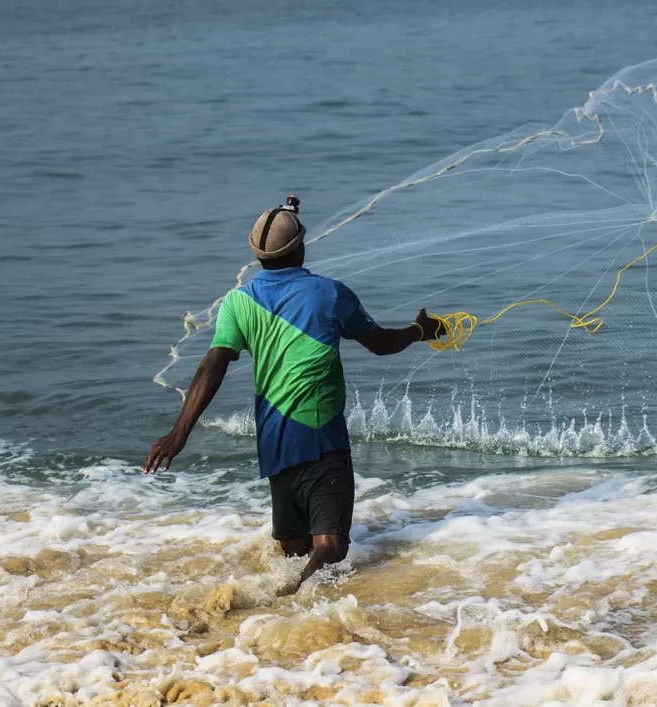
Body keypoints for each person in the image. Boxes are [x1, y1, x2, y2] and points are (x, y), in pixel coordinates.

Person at [143, 195, 445, 589]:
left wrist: (178, 433)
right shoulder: (330, 293)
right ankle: (288, 600)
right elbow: (381, 344)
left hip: (273, 442)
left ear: (256, 256)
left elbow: (211, 366)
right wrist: (420, 331)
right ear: (300, 246)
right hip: (321, 438)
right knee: (331, 548)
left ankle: (285, 620)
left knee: (295, 550)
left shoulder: (238, 302)